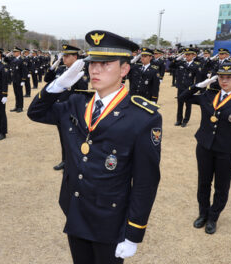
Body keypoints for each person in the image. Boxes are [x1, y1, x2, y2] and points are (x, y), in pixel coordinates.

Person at [28, 30, 161, 264]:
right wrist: (57, 85)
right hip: (76, 207)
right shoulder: (76, 102)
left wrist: (134, 232)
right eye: (91, 64)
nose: (95, 70)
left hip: (110, 218)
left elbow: (145, 181)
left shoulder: (142, 117)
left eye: (105, 64)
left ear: (124, 69)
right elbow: (36, 112)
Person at [178, 62, 231, 234]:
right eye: (221, 77)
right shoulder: (207, 95)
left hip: (226, 150)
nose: (224, 80)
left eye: (229, 77)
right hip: (204, 146)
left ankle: (213, 217)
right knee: (203, 183)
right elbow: (183, 98)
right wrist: (197, 85)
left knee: (221, 187)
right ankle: (203, 214)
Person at [44, 44, 89, 171]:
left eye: (67, 56)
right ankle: (65, 160)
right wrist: (53, 66)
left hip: (72, 113)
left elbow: (82, 94)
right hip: (60, 110)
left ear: (75, 57)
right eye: (63, 56)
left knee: (74, 139)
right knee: (63, 137)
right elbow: (47, 79)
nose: (64, 58)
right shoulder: (60, 70)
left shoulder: (81, 73)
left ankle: (74, 162)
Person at [169, 47, 203, 127]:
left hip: (189, 88)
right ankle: (179, 120)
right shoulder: (181, 63)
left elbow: (198, 79)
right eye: (186, 55)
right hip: (180, 87)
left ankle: (185, 120)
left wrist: (195, 89)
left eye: (189, 55)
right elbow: (171, 65)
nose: (187, 56)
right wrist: (178, 58)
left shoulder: (196, 65)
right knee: (180, 104)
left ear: (193, 55)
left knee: (188, 105)